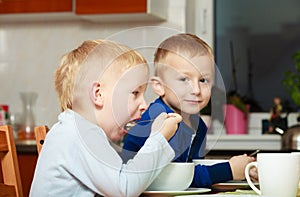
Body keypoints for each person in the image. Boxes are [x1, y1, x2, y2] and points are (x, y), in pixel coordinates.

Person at [30, 39, 182, 197]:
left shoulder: (77, 129)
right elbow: (124, 188)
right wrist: (159, 138)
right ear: (98, 94)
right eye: (135, 93)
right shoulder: (80, 133)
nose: (144, 105)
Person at [122, 33, 257, 188]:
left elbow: (191, 169)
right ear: (159, 86)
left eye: (203, 80)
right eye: (184, 79)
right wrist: (229, 170)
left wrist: (241, 170)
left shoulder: (198, 125)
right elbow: (173, 177)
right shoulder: (161, 119)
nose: (196, 90)